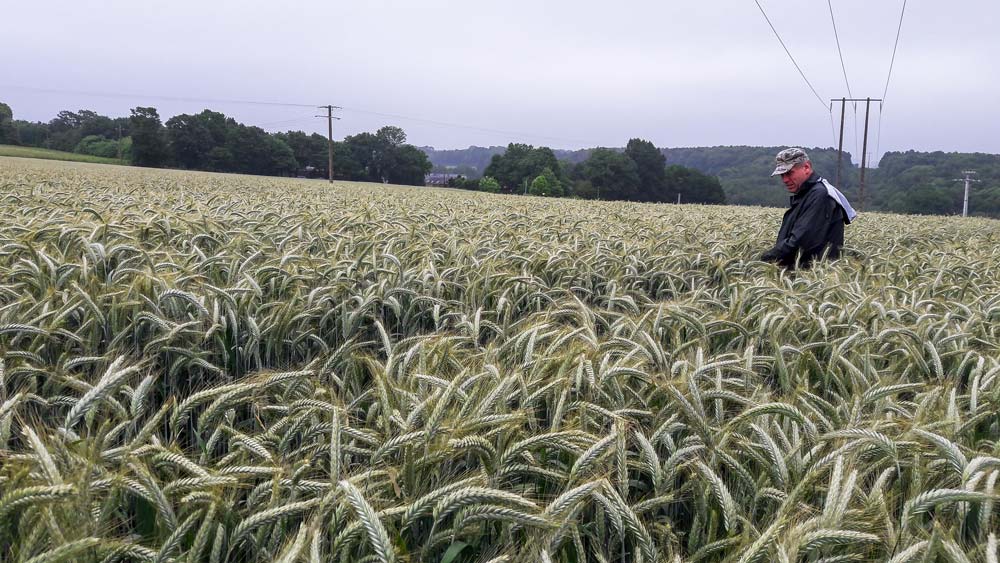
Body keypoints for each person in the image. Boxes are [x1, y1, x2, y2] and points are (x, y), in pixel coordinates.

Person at [760, 147, 857, 269]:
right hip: (806, 275)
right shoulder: (807, 194)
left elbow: (800, 242)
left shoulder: (820, 195)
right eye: (782, 175)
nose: (785, 179)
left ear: (806, 167)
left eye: (789, 173)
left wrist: (764, 259)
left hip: (813, 276)